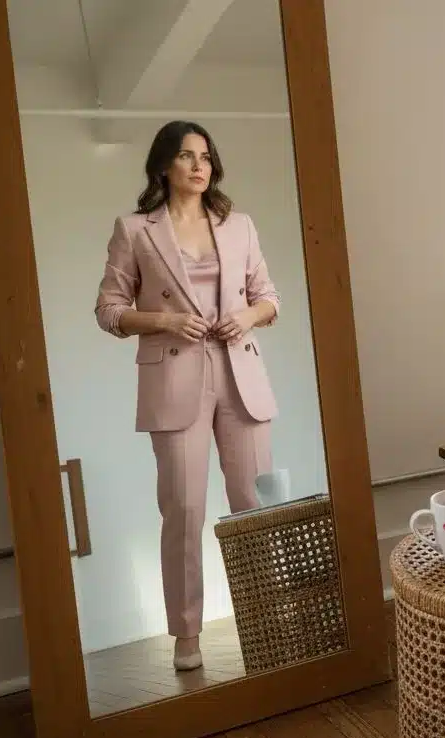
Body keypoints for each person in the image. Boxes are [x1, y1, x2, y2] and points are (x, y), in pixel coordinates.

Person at [94, 121, 280, 672]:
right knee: (183, 510)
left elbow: (269, 297)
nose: (199, 166)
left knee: (256, 505)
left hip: (240, 375)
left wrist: (244, 315)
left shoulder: (239, 225)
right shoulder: (134, 231)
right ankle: (186, 636)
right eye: (185, 156)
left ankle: (265, 620)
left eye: (205, 156)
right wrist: (166, 320)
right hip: (174, 381)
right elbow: (108, 310)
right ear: (163, 166)